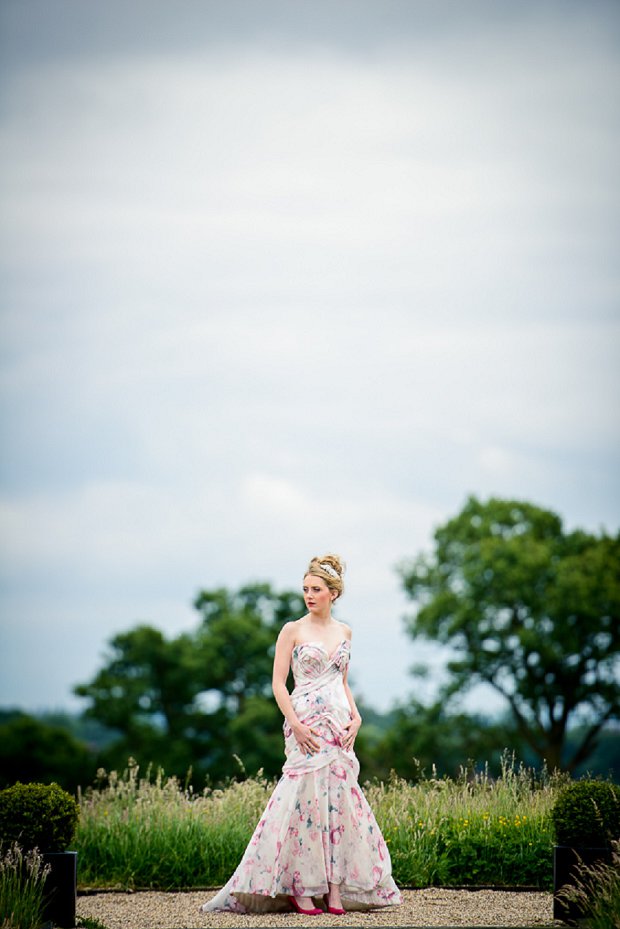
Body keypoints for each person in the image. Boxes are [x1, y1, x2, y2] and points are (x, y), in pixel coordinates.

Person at [201, 554, 401, 916]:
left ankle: (335, 889)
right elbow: (278, 682)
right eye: (306, 589)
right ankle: (300, 887)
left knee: (338, 804)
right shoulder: (292, 630)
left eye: (317, 589)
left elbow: (342, 681)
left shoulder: (345, 632)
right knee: (304, 803)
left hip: (338, 725)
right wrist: (294, 722)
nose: (309, 595)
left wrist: (357, 717)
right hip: (305, 722)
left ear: (333, 593)